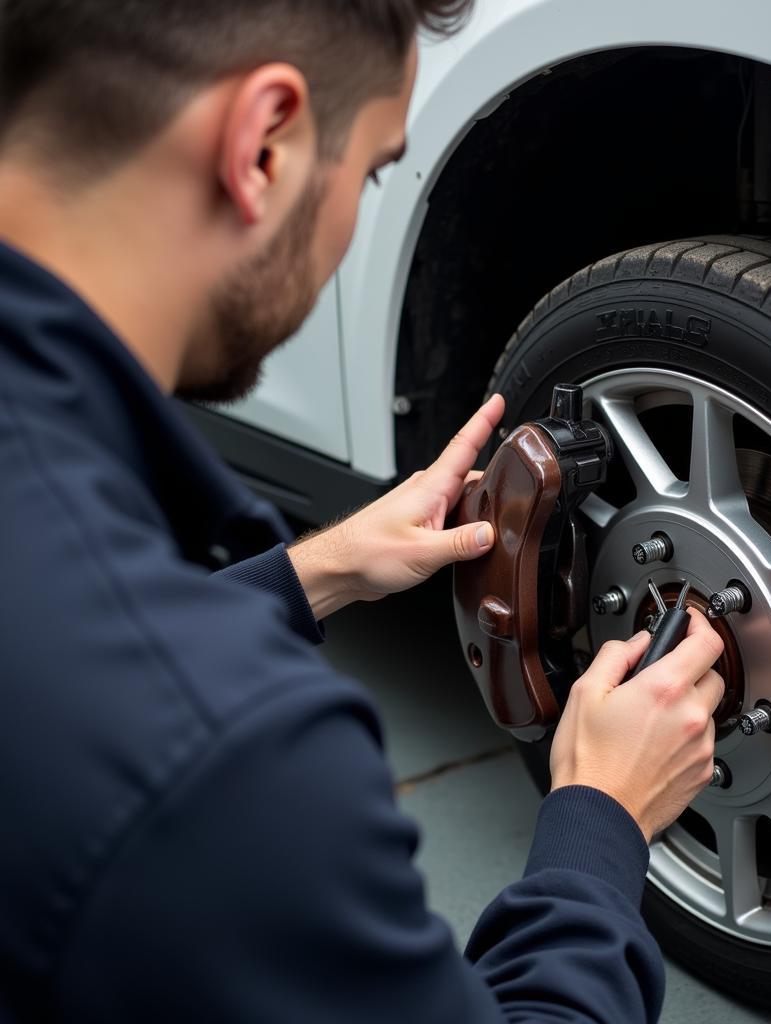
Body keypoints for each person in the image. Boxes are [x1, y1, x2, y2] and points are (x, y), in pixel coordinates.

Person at [0, 2, 726, 1021]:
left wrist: (316, 567)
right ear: (263, 144)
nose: (359, 213)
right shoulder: (229, 764)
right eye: (376, 170)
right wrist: (601, 816)